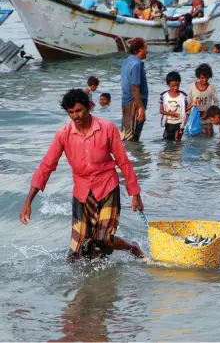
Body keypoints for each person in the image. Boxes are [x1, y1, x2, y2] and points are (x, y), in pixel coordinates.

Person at [19, 89, 144, 261]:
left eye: (79, 110)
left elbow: (123, 162)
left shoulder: (107, 129)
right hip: (82, 191)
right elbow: (46, 166)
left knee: (103, 239)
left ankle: (132, 248)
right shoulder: (63, 134)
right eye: (71, 112)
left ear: (89, 107)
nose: (75, 116)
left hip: (107, 187)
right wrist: (28, 201)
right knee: (78, 252)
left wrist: (135, 195)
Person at [120, 38, 148, 142]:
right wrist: (140, 107)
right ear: (140, 49)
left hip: (126, 103)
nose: (147, 51)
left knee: (126, 135)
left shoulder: (126, 61)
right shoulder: (137, 64)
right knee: (132, 138)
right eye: (146, 48)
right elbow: (134, 88)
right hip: (134, 104)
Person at [187, 63, 220, 137]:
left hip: (208, 119)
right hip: (195, 118)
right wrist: (187, 117)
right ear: (198, 77)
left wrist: (210, 113)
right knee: (194, 138)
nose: (204, 80)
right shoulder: (192, 87)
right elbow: (188, 102)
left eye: (206, 77)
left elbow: (217, 102)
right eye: (202, 78)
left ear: (209, 76)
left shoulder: (211, 88)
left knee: (209, 137)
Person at [159, 71, 188, 141]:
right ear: (168, 84)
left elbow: (185, 110)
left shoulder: (183, 96)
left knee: (178, 142)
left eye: (178, 85)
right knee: (167, 141)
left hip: (179, 124)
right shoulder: (164, 96)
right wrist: (170, 113)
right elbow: (161, 111)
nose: (176, 88)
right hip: (168, 123)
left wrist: (192, 104)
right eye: (173, 86)